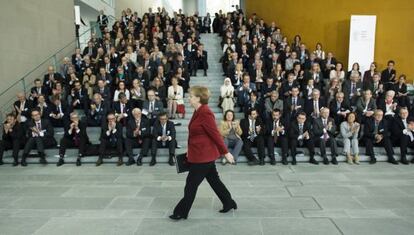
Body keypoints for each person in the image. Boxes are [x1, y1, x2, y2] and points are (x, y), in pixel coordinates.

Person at [170, 86, 236, 221]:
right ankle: (229, 202)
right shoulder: (197, 111)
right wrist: (190, 150)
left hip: (203, 157)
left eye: (191, 96)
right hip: (200, 153)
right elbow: (196, 135)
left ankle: (181, 212)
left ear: (198, 98)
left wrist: (226, 153)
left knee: (191, 185)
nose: (189, 98)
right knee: (214, 181)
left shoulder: (205, 112)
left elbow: (215, 135)